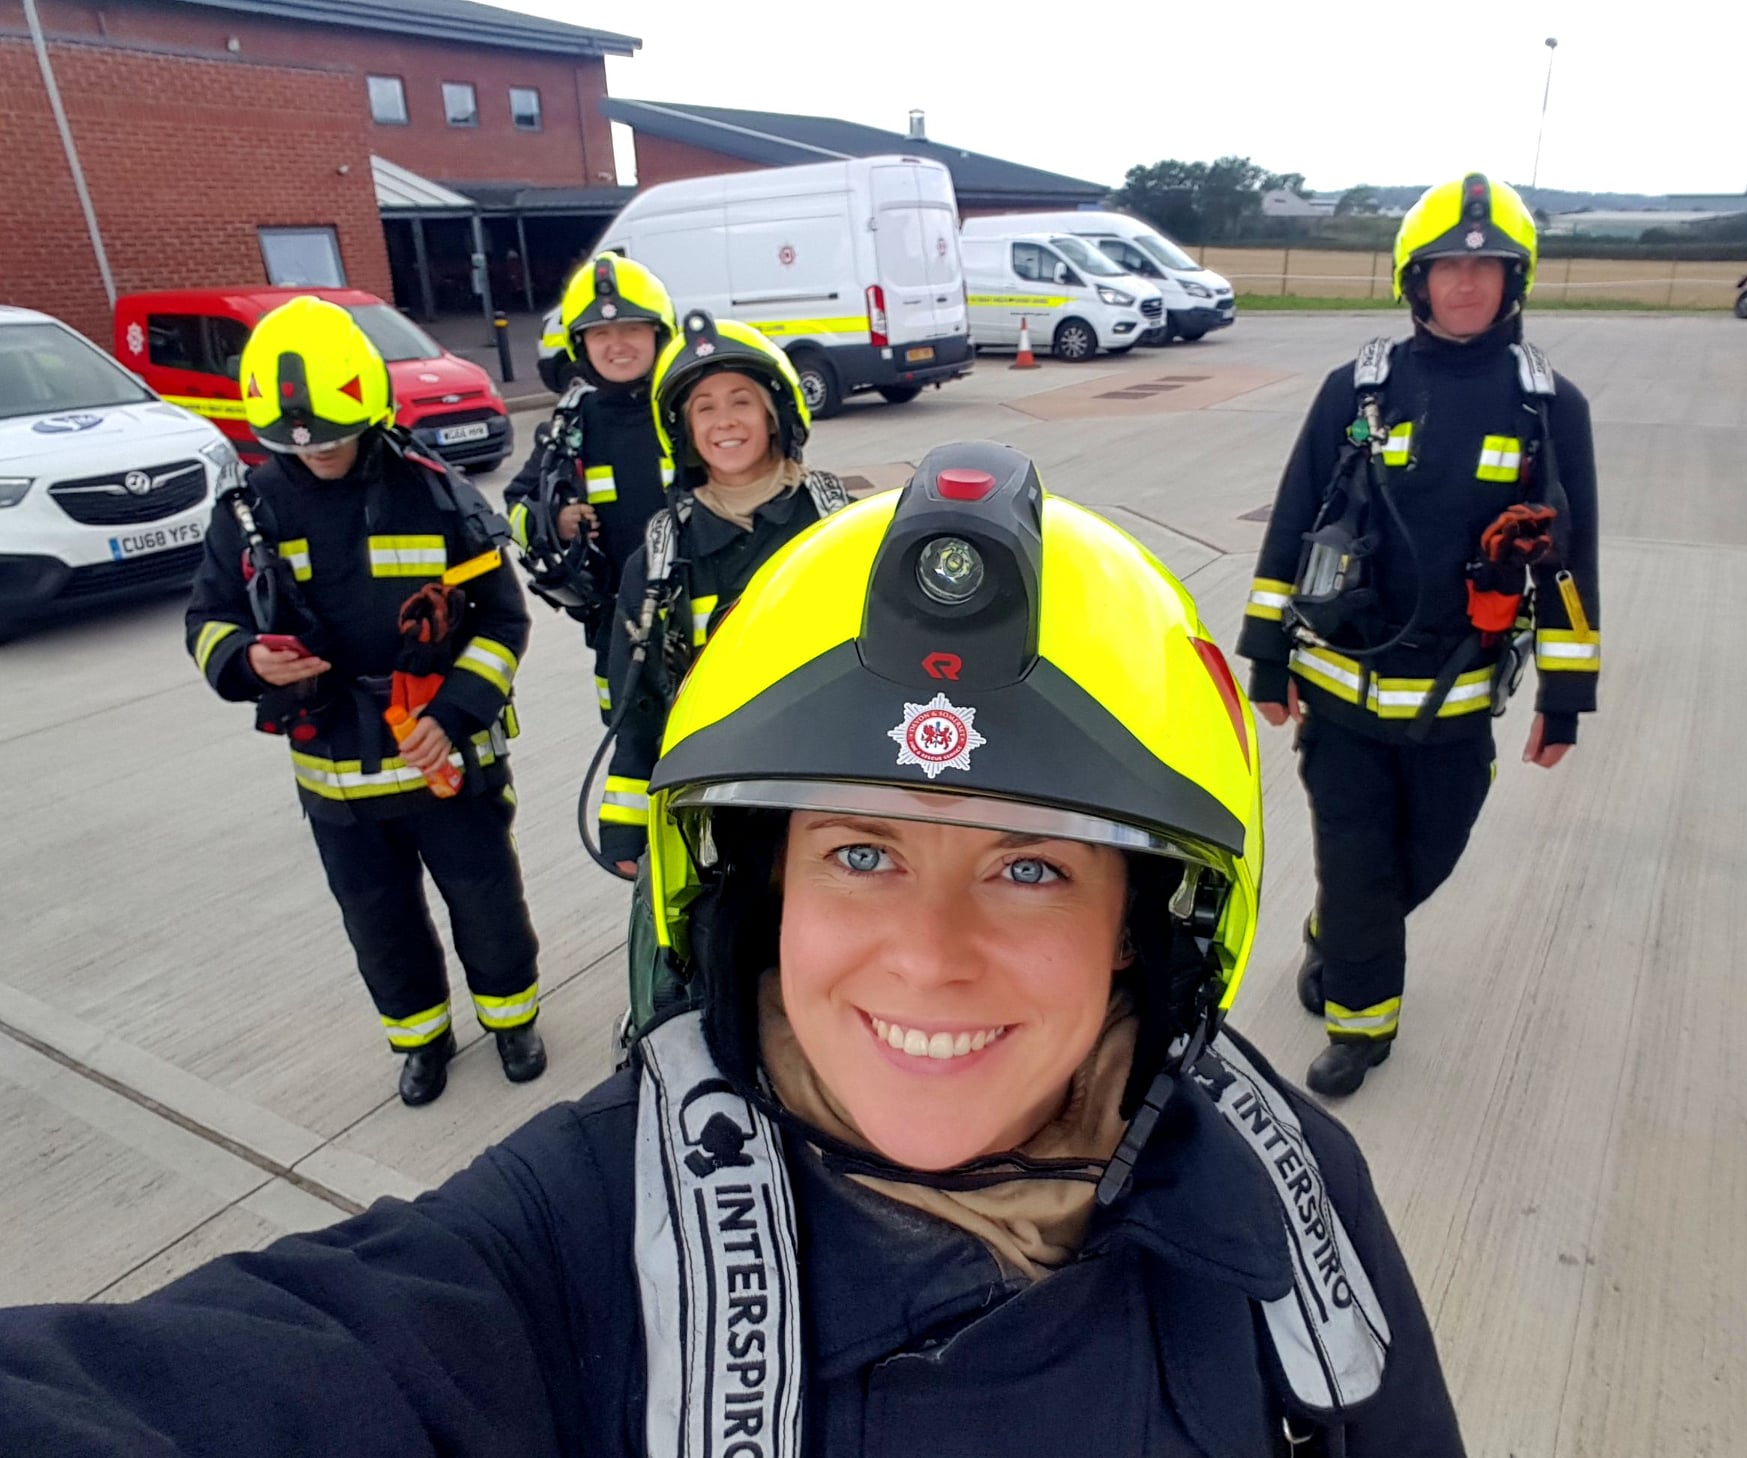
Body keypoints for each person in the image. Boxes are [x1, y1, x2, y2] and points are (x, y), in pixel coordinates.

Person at [2, 442, 1465, 1456]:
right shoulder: (579, 1240)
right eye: (862, 853)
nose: (927, 955)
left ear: (1147, 932)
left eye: (1030, 865)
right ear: (756, 894)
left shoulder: (1281, 1191)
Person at [1236, 173, 1601, 1097]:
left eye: (1488, 268)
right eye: (1448, 266)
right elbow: (1291, 527)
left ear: (1515, 282)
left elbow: (1568, 564)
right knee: (1356, 854)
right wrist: (1268, 654)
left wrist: (1564, 698)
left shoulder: (1551, 409)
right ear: (1417, 278)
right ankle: (1363, 1027)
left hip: (1459, 701)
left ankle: (1338, 932)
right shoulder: (1355, 391)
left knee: (1424, 857)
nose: (1467, 284)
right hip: (1343, 697)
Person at [182, 296, 544, 1108]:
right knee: (378, 922)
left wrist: (451, 716)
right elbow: (208, 621)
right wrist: (247, 659)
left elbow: (503, 619)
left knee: (487, 902)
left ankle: (512, 1019)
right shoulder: (250, 511)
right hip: (337, 773)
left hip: (448, 761)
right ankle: (420, 1041)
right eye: (298, 445)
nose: (321, 455)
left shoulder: (435, 493)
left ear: (370, 409)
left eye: (338, 437)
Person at [593, 308, 848, 876]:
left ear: (776, 414)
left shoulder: (840, 527)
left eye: (741, 400)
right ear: (683, 432)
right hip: (718, 807)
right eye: (703, 407)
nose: (724, 421)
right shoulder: (658, 561)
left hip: (837, 791)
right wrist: (626, 827)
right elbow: (637, 708)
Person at [505, 251, 674, 724]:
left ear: (659, 333)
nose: (617, 344)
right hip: (613, 629)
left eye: (631, 329)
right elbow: (516, 507)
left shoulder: (687, 406)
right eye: (601, 333)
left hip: (705, 622)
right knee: (633, 757)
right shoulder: (571, 425)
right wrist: (555, 523)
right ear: (581, 344)